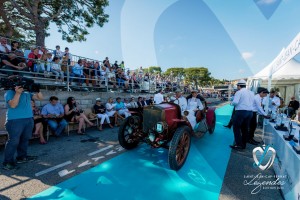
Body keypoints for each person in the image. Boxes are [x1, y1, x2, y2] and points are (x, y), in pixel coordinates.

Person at [3, 84, 43, 170]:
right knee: (13, 141)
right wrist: (17, 93)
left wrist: (38, 90)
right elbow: (13, 105)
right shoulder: (9, 93)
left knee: (25, 139)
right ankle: (8, 162)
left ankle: (21, 157)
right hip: (14, 120)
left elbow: (40, 98)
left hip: (28, 119)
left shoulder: (27, 93)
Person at [230, 79, 254, 150]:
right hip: (250, 112)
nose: (237, 87)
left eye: (237, 86)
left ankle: (238, 145)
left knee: (236, 128)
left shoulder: (239, 92)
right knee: (245, 129)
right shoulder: (251, 92)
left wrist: (231, 103)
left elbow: (235, 102)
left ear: (239, 86)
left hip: (241, 112)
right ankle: (243, 145)